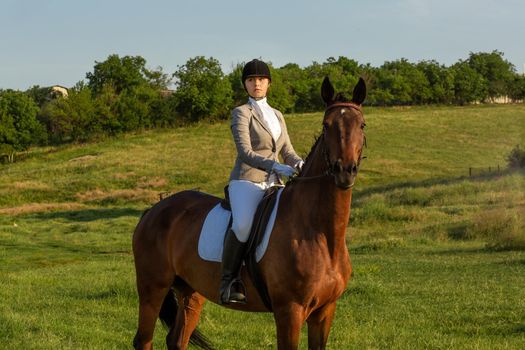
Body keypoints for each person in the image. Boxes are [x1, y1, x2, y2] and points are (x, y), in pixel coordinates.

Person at [219, 59, 304, 305]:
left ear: (268, 83)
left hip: (275, 183)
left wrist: (300, 164)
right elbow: (245, 152)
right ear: (245, 85)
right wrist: (274, 165)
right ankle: (228, 281)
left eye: (261, 79)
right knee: (244, 224)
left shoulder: (277, 115)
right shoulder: (241, 113)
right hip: (247, 180)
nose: (256, 83)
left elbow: (287, 150)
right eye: (251, 80)